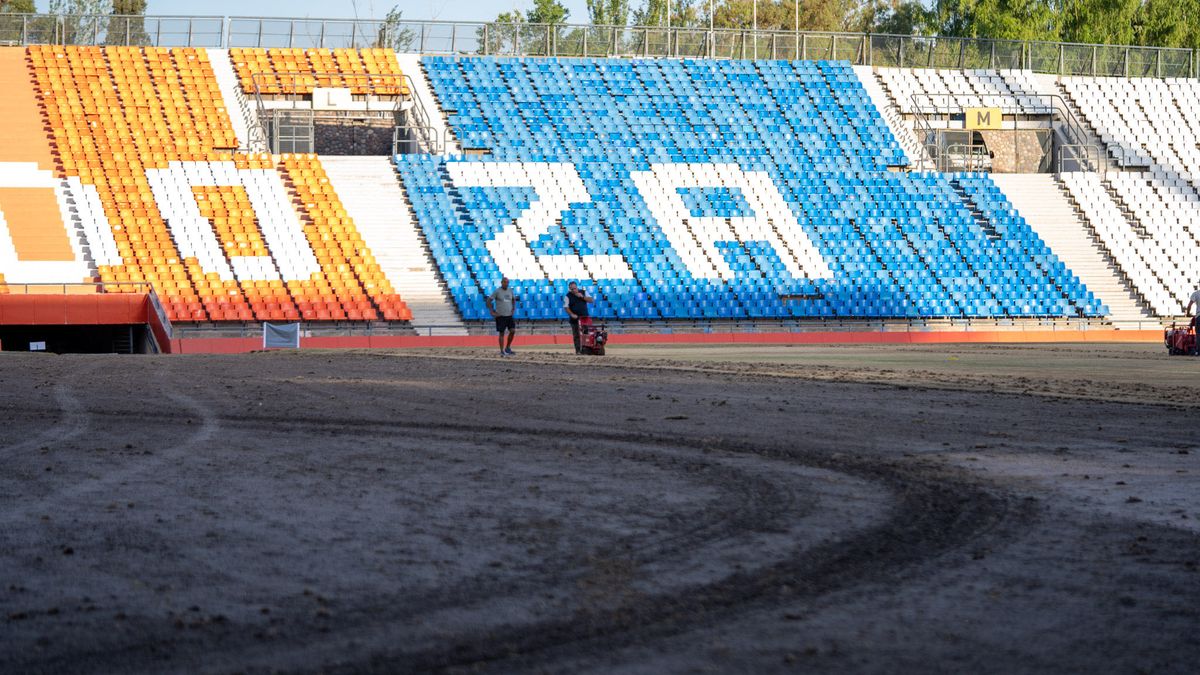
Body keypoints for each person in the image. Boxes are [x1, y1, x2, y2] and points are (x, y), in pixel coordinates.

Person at [486, 277, 517, 356]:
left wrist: (513, 308)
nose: (506, 284)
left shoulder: (510, 290)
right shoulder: (497, 291)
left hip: (509, 315)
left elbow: (513, 299)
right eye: (505, 282)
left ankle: (508, 347)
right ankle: (502, 350)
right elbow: (489, 300)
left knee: (512, 331)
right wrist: (491, 311)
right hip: (500, 315)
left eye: (507, 282)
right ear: (501, 282)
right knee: (501, 333)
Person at [563, 281, 594, 354]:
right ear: (570, 289)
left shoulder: (583, 292)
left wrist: (582, 297)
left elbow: (591, 300)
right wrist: (572, 314)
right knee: (576, 335)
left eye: (575, 288)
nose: (574, 290)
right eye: (572, 289)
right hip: (574, 318)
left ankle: (587, 349)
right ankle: (578, 350)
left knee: (586, 334)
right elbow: (566, 307)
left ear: (577, 287)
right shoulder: (568, 296)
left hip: (584, 318)